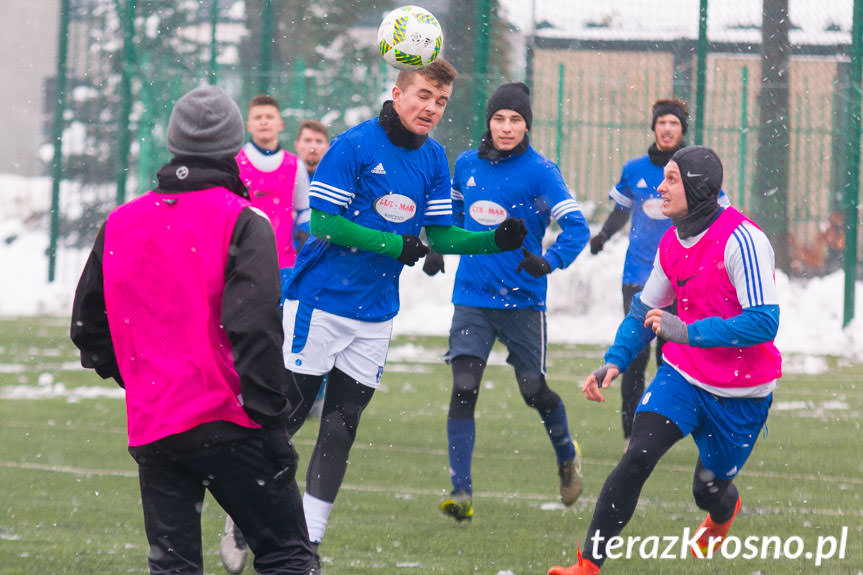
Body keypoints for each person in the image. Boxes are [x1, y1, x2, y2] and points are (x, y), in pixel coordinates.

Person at [281, 59, 527, 570]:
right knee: (288, 418)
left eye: (440, 101)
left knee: (342, 426)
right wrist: (393, 244)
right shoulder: (353, 145)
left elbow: (436, 236)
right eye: (422, 96)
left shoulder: (435, 158)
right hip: (319, 303)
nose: (431, 108)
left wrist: (489, 241)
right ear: (396, 92)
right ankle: (247, 513)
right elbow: (325, 223)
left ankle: (309, 545)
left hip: (375, 315)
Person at [70, 85, 316, 575]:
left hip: (156, 425)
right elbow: (256, 331)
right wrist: (271, 422)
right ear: (233, 145)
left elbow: (88, 330)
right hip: (230, 422)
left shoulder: (120, 222)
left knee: (174, 568)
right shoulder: (244, 220)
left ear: (173, 142)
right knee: (287, 555)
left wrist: (143, 378)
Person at [548, 146, 782, 575]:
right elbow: (643, 310)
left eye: (672, 178)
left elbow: (764, 322)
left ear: (697, 187)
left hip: (741, 390)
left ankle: (721, 511)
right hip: (683, 376)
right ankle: (587, 565)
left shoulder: (744, 240)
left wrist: (689, 332)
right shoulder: (673, 239)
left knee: (708, 490)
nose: (660, 186)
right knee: (637, 455)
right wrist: (614, 360)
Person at [424, 82, 590, 521]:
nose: (506, 127)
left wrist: (548, 261)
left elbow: (577, 227)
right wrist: (439, 247)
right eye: (499, 118)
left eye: (516, 119)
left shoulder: (542, 172)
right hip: (472, 299)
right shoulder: (466, 165)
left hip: (522, 302)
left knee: (533, 391)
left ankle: (566, 454)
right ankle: (461, 491)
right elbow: (454, 218)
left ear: (527, 125)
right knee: (464, 387)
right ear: (488, 122)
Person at [588, 99, 729, 449]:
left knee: (676, 357)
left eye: (674, 123)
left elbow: (722, 218)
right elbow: (622, 209)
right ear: (653, 128)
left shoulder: (696, 174)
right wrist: (604, 235)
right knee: (634, 358)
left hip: (685, 279)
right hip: (639, 275)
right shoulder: (634, 168)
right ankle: (630, 435)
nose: (667, 128)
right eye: (662, 122)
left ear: (683, 130)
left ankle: (667, 431)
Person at [236, 94, 311, 299]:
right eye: (258, 117)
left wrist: (305, 236)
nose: (263, 121)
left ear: (280, 124)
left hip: (285, 263)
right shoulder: (236, 163)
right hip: (243, 263)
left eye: (269, 116)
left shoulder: (295, 165)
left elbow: (305, 210)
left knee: (281, 327)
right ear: (248, 125)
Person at [293, 119, 331, 419]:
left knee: (320, 332)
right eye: (307, 140)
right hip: (284, 268)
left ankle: (318, 394)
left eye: (319, 141)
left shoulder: (334, 181)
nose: (313, 146)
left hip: (322, 273)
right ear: (297, 145)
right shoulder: (284, 175)